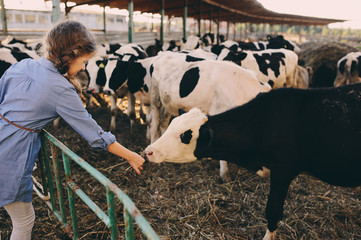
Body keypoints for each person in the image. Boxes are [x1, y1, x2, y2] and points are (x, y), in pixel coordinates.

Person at [0, 20, 145, 240]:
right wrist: (131, 155)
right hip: (10, 156)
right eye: (84, 61)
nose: (85, 67)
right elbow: (95, 136)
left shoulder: (22, 65)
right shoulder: (61, 89)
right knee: (24, 221)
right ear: (72, 54)